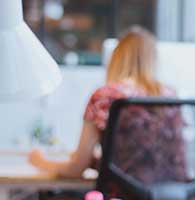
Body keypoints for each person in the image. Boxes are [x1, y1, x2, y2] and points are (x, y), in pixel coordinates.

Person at [28, 26, 180, 179]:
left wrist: (40, 161)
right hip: (174, 193)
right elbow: (148, 163)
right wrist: (98, 162)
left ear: (117, 58)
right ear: (153, 60)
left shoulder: (105, 96)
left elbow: (75, 169)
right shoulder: (170, 96)